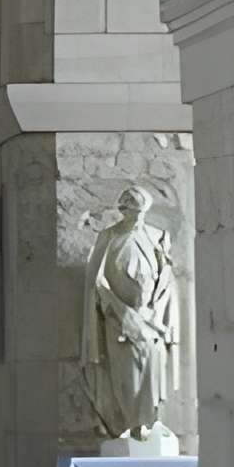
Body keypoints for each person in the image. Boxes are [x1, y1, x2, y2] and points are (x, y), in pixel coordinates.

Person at [81, 185, 180, 441]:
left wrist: (155, 315)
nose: (138, 218)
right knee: (128, 374)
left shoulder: (156, 236)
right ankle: (129, 424)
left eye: (141, 213)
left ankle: (148, 422)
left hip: (151, 319)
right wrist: (124, 313)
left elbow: (167, 280)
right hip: (120, 321)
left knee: (153, 369)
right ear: (123, 210)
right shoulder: (110, 237)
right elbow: (97, 281)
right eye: (133, 212)